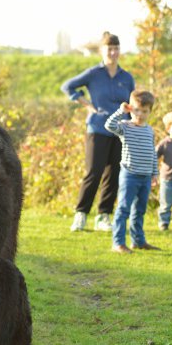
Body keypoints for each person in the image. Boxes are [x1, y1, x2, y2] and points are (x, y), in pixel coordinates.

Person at [62, 32, 135, 232]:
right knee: (93, 172)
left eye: (116, 48)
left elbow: (133, 103)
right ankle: (81, 214)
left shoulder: (126, 77)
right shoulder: (94, 74)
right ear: (102, 51)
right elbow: (67, 86)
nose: (113, 52)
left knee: (114, 174)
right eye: (109, 49)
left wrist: (134, 123)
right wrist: (85, 103)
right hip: (97, 128)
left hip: (120, 131)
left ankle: (104, 216)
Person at [105, 91, 160, 254]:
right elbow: (109, 125)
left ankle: (138, 241)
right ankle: (118, 243)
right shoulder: (125, 126)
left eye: (145, 111)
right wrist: (121, 111)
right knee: (123, 209)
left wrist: (155, 173)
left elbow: (152, 153)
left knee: (140, 209)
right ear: (131, 109)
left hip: (145, 177)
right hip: (130, 175)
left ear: (150, 112)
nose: (140, 114)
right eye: (137, 110)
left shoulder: (150, 130)